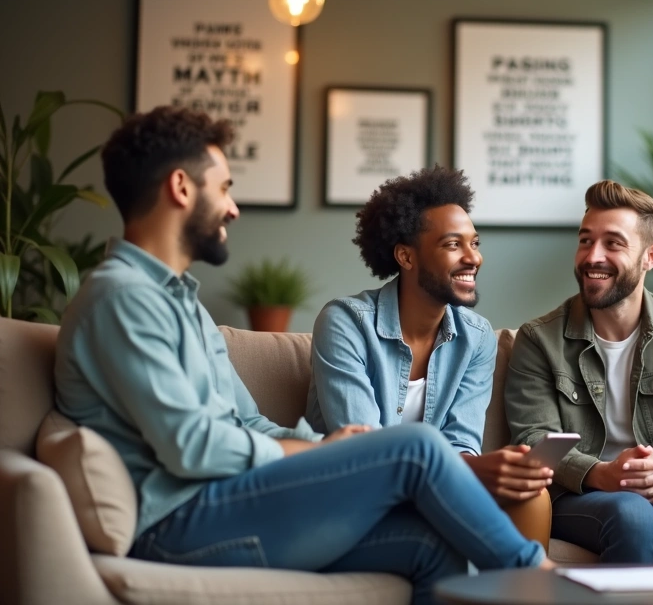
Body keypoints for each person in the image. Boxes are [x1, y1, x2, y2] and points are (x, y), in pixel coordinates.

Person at [54, 107, 549, 605]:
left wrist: (327, 445)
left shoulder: (181, 304)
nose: (232, 209)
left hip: (222, 502)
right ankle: (545, 581)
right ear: (182, 188)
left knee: (430, 548)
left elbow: (246, 419)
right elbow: (192, 447)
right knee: (415, 447)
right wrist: (313, 453)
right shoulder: (123, 298)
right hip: (179, 521)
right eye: (224, 188)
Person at [306, 168, 553, 542]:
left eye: (475, 243)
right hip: (355, 494)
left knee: (533, 496)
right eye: (453, 245)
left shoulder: (477, 338)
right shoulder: (345, 323)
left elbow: (461, 441)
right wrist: (471, 471)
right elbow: (364, 452)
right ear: (406, 256)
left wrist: (487, 468)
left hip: (437, 488)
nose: (474, 258)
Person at [504, 180, 653, 563]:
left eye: (613, 243)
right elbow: (533, 438)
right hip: (581, 496)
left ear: (650, 256)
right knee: (631, 512)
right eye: (585, 240)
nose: (593, 256)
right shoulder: (538, 339)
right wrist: (601, 473)